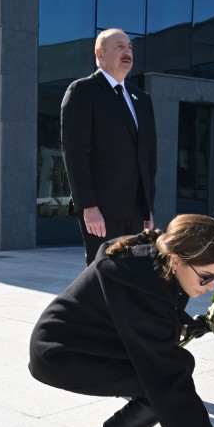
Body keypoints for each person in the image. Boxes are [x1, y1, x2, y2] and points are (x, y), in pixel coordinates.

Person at [28, 214, 214, 427]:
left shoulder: (159, 264)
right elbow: (170, 380)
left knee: (164, 378)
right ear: (176, 260)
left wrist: (181, 324)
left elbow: (142, 314)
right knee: (162, 384)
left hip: (96, 343)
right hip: (62, 353)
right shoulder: (135, 278)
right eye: (206, 277)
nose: (211, 287)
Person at [61, 28, 157, 265]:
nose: (127, 52)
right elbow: (74, 154)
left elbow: (148, 158)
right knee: (104, 272)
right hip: (101, 209)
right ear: (100, 54)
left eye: (130, 47)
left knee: (132, 274)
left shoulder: (142, 99)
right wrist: (88, 206)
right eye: (119, 46)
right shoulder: (83, 90)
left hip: (136, 210)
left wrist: (147, 209)